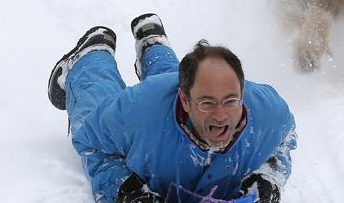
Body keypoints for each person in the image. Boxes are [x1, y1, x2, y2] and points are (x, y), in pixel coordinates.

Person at [47, 13, 297, 203]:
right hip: (152, 106)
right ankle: (92, 56)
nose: (221, 116)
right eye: (207, 103)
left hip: (174, 90)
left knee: (179, 79)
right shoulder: (139, 111)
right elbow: (92, 144)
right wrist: (125, 189)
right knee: (96, 106)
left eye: (231, 101)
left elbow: (284, 142)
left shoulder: (269, 114)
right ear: (185, 101)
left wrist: (269, 177)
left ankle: (152, 41)